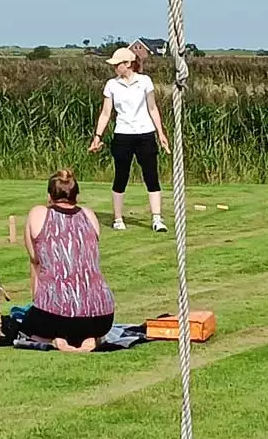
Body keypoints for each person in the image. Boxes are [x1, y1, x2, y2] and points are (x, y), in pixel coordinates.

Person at [23, 170, 116, 353]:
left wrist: (38, 299)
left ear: (49, 196)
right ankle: (89, 338)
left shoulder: (37, 214)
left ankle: (56, 338)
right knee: (83, 323)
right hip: (101, 316)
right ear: (77, 196)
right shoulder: (89, 215)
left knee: (30, 329)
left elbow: (35, 260)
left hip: (53, 316)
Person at [88, 46, 170, 232]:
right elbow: (106, 113)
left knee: (151, 176)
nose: (115, 68)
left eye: (118, 64)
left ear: (128, 64)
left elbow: (152, 108)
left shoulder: (145, 81)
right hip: (122, 135)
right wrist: (97, 136)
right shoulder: (112, 85)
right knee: (121, 176)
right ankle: (118, 219)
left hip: (145, 134)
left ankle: (157, 219)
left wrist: (161, 133)